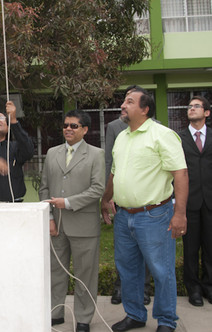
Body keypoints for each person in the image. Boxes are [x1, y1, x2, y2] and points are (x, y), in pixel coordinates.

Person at [101, 86, 188, 332]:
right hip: (124, 215)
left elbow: (180, 174)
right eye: (124, 101)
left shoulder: (162, 135)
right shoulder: (122, 136)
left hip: (155, 216)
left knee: (161, 271)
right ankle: (135, 315)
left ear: (144, 109)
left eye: (129, 101)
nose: (123, 105)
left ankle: (166, 320)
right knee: (128, 270)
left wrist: (180, 213)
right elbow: (115, 174)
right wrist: (106, 200)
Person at [39, 110, 105, 332]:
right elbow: (44, 187)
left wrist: (66, 202)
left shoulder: (96, 154)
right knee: (55, 272)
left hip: (84, 226)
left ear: (85, 130)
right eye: (66, 125)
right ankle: (55, 312)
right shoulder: (51, 153)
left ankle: (84, 318)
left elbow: (97, 189)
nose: (68, 128)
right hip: (55, 225)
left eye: (74, 126)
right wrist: (49, 216)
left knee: (85, 274)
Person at [106, 114, 152, 306]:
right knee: (123, 251)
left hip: (148, 204)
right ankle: (121, 286)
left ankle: (144, 289)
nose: (124, 106)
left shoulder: (156, 129)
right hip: (122, 204)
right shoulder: (115, 127)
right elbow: (110, 162)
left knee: (147, 250)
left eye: (130, 100)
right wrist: (107, 196)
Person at [178, 95, 212, 307]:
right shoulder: (179, 138)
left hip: (210, 201)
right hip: (188, 202)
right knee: (190, 248)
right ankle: (194, 289)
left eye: (196, 106)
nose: (191, 109)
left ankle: (209, 286)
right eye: (189, 106)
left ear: (207, 113)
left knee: (210, 247)